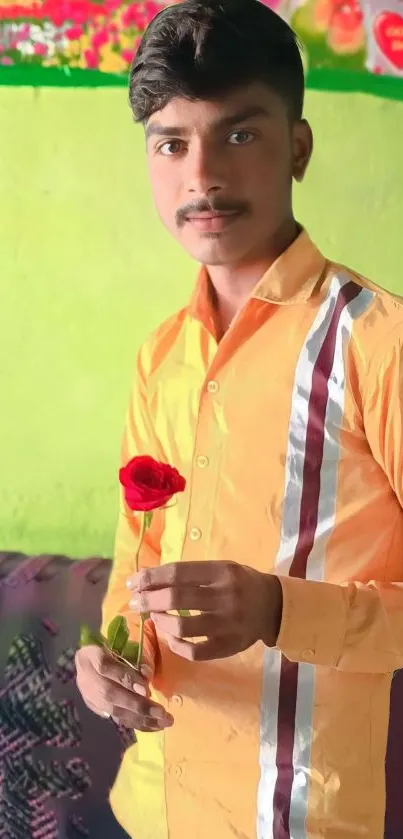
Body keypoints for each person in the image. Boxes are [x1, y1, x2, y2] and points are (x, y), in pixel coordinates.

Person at [75, 0, 403, 837]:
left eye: (240, 134)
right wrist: (106, 661)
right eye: (171, 143)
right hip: (148, 807)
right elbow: (133, 563)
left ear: (297, 146)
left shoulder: (378, 343)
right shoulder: (160, 356)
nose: (203, 176)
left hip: (292, 818)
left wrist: (279, 609)